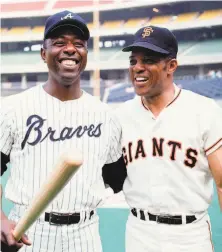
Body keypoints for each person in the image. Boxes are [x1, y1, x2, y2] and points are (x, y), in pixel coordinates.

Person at [0, 10, 127, 252]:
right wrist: (0, 220)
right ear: (43, 53)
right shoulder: (12, 109)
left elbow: (117, 180)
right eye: (59, 43)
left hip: (85, 233)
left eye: (78, 44)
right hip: (28, 230)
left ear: (86, 55)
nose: (70, 49)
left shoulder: (106, 116)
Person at [116, 25, 222, 252]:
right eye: (133, 61)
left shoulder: (204, 110)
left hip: (190, 234)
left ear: (171, 66)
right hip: (139, 232)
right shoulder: (120, 116)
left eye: (149, 60)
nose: (138, 68)